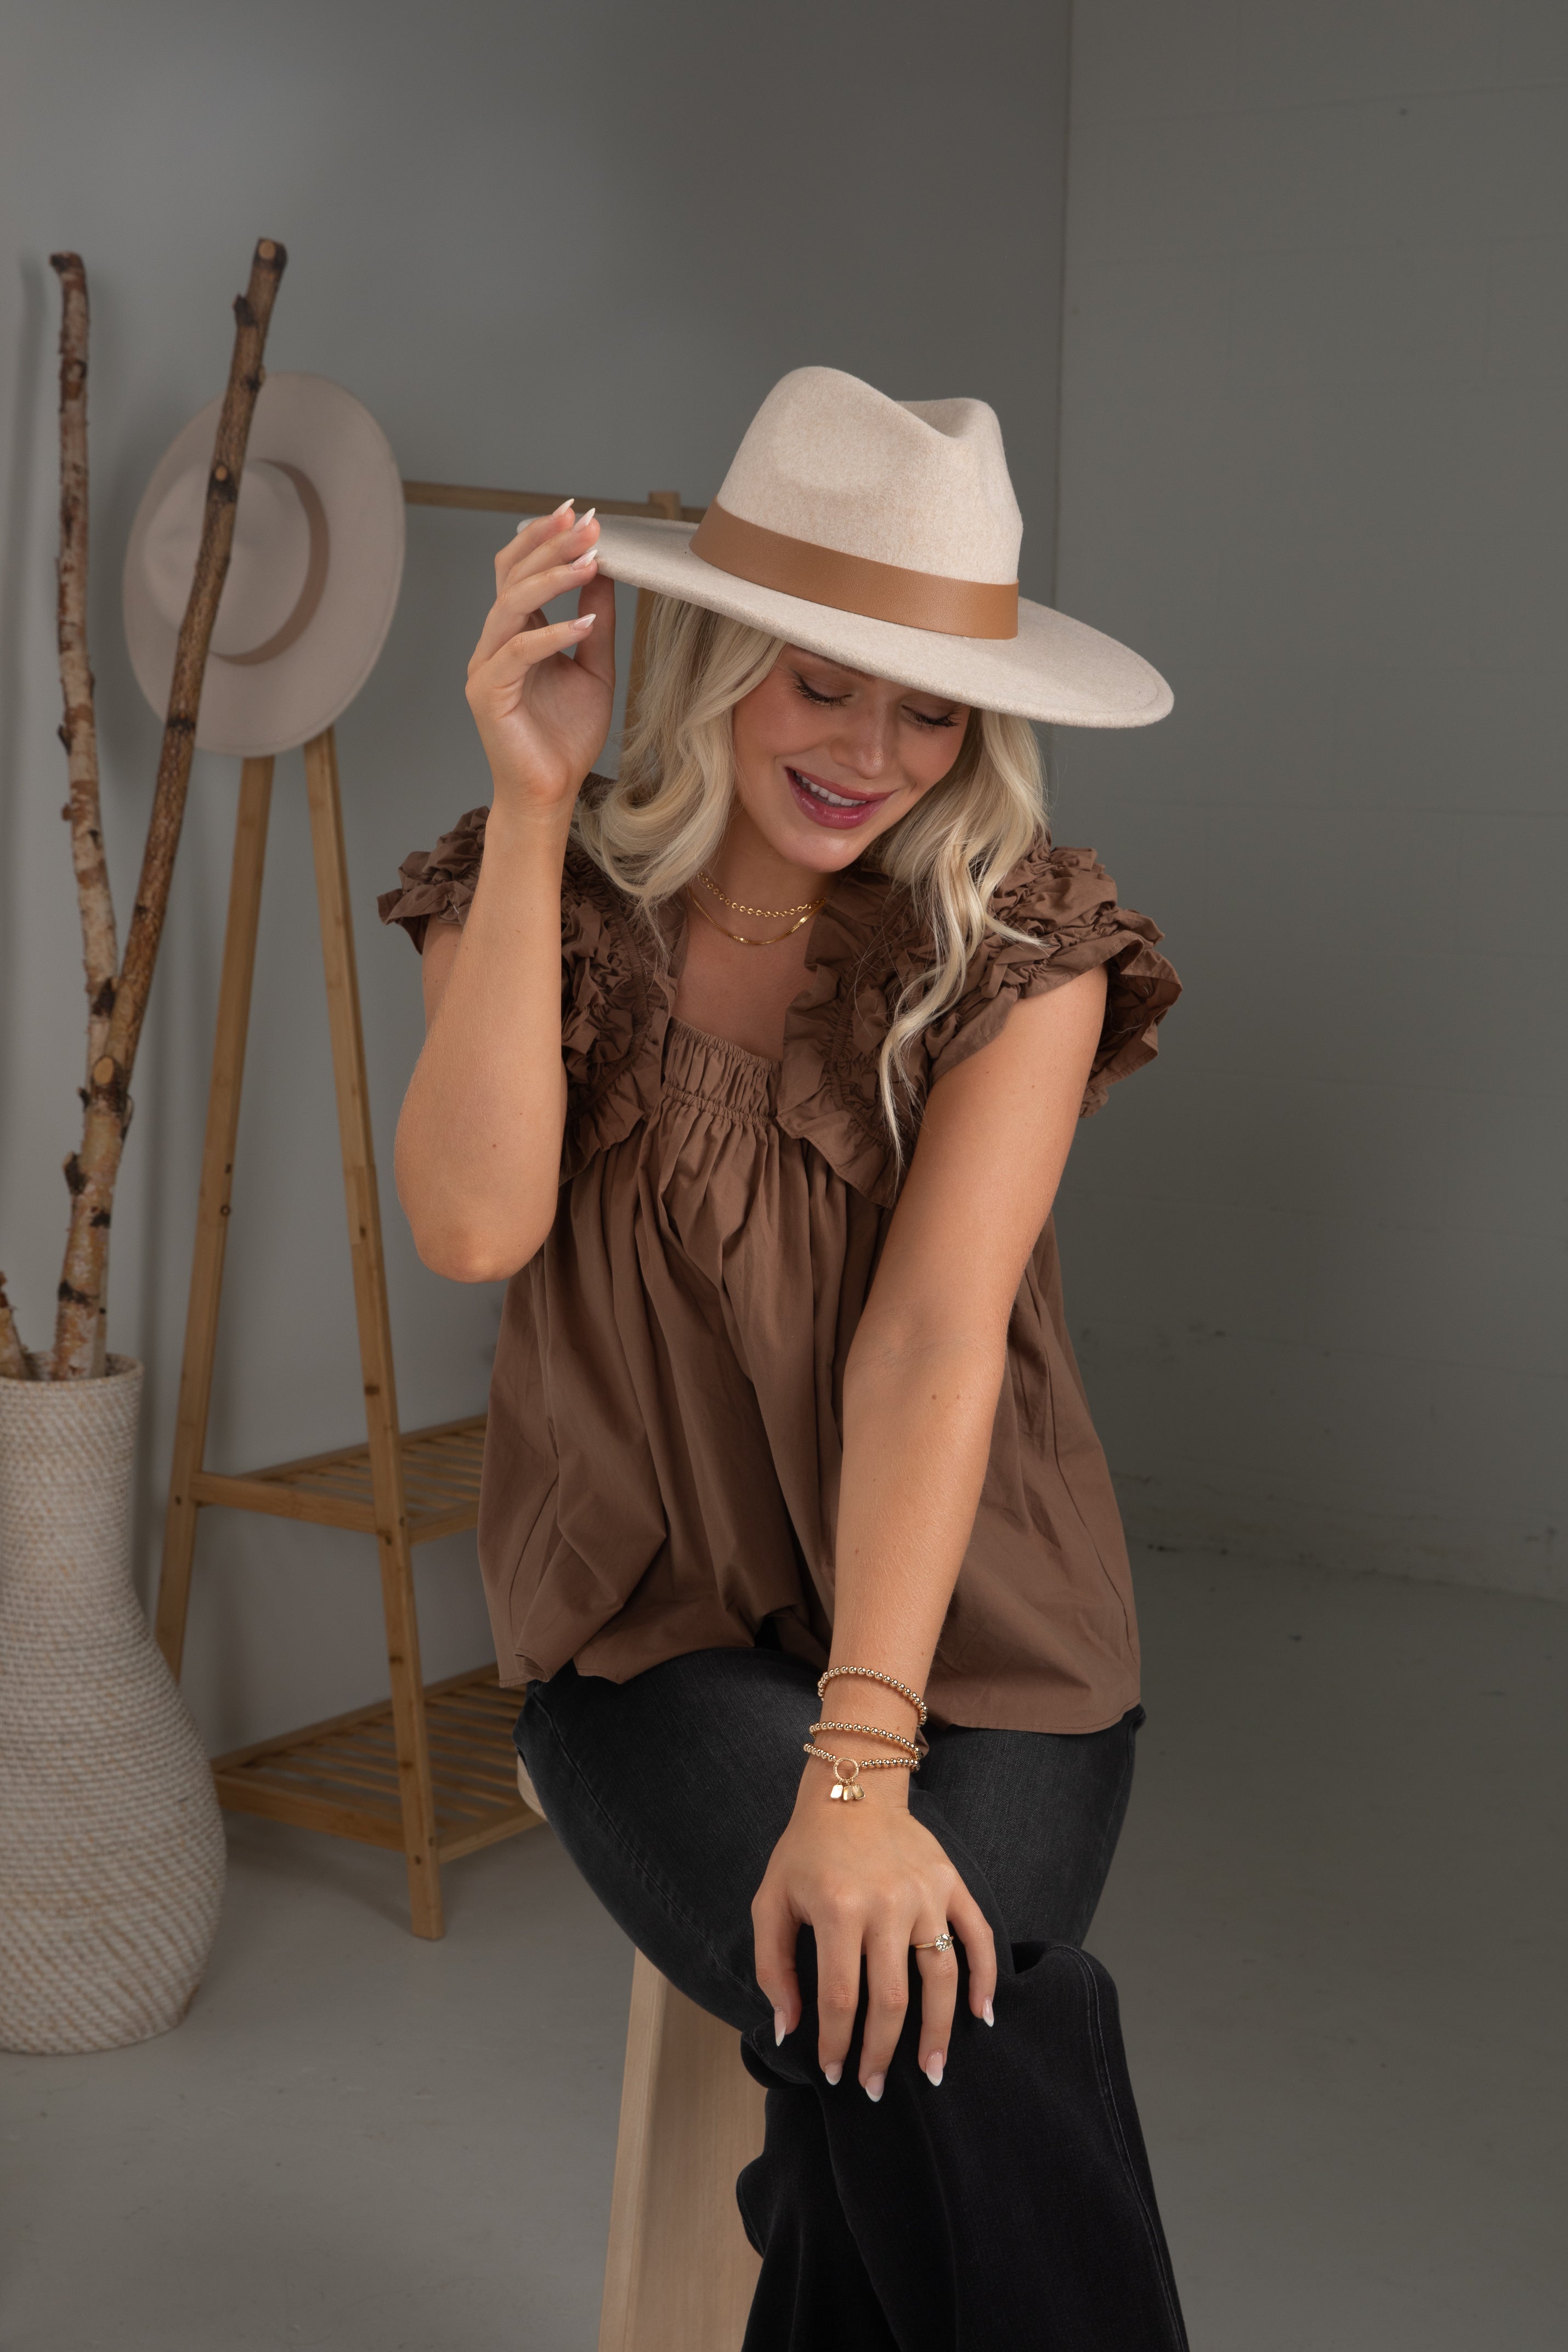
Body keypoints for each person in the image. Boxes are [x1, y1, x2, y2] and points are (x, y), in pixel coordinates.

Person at [381, 368, 1188, 2348]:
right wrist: (533, 795)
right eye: (824, 677)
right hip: (650, 1636)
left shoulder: (1022, 945)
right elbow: (474, 1227)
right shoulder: (532, 902)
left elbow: (930, 1351)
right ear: (722, 648)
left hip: (982, 1638)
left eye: (930, 704)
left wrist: (856, 1765)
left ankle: (814, 2195)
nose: (875, 750)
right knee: (954, 2019)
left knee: (902, 2026)